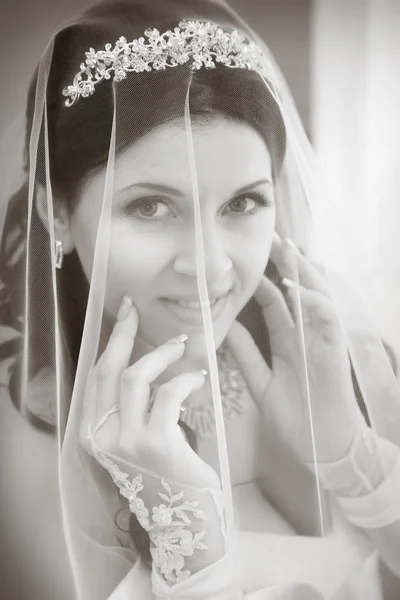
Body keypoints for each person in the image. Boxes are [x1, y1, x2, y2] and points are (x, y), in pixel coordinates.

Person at [1, 1, 400, 598]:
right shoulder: (20, 439)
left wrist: (352, 458)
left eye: (243, 203)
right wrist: (191, 551)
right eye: (151, 207)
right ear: (54, 212)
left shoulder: (343, 359)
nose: (212, 266)